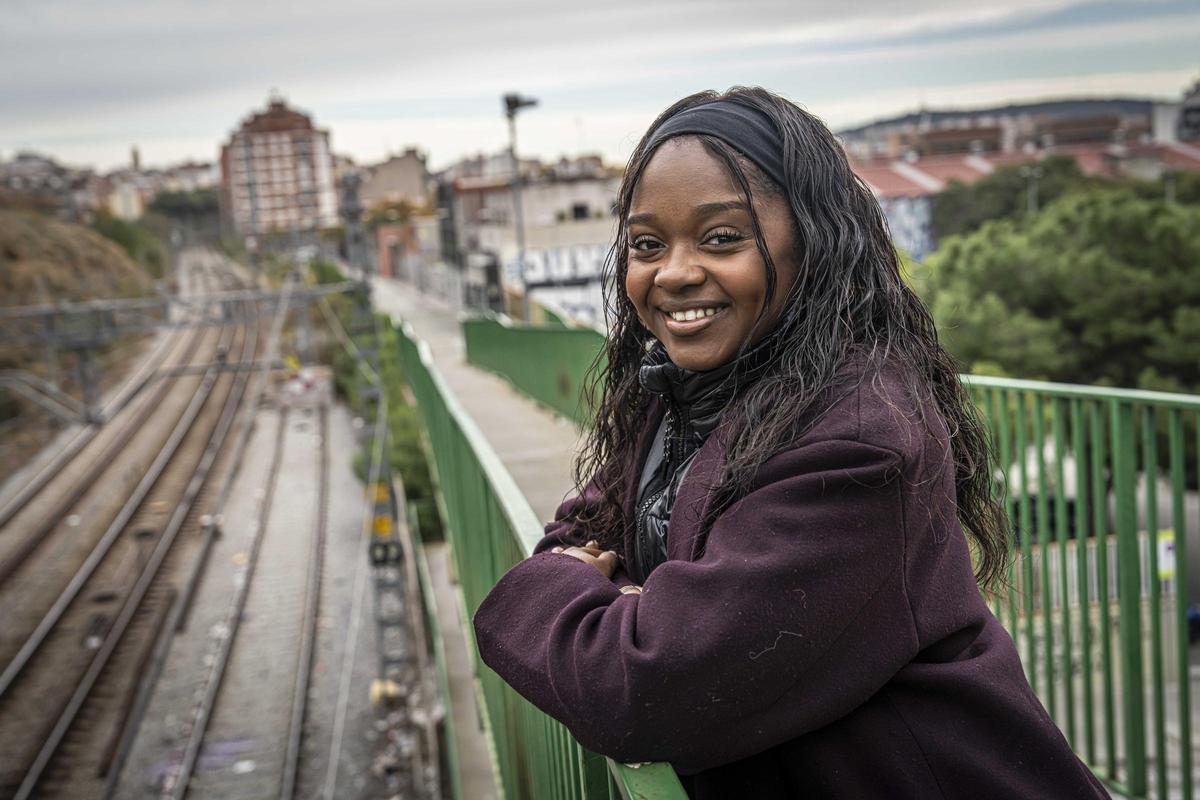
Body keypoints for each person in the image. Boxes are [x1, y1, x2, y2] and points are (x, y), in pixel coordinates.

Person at [472, 87, 1110, 799]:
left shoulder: (864, 440)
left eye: (721, 238)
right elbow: (581, 532)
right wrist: (610, 600)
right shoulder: (685, 389)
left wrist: (578, 599)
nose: (675, 271)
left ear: (812, 240)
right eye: (647, 244)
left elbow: (647, 686)